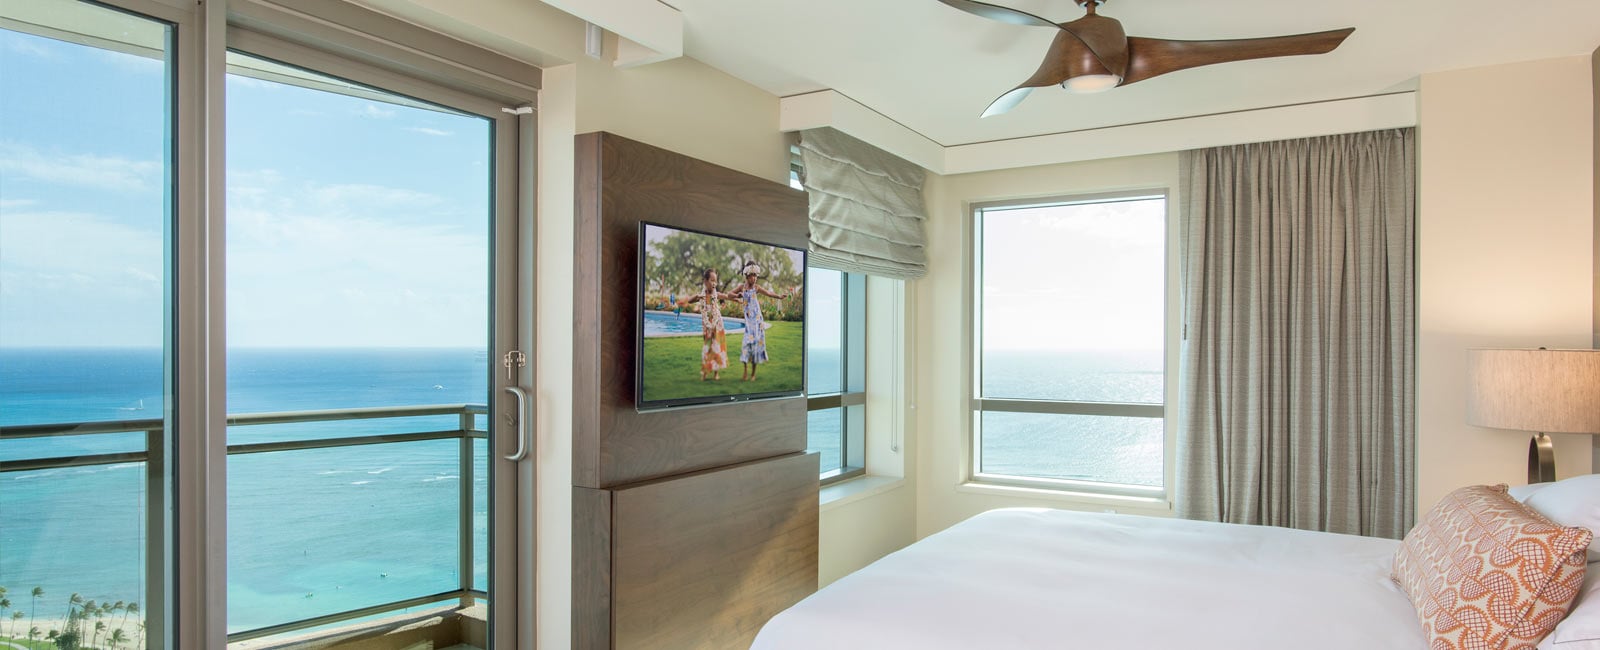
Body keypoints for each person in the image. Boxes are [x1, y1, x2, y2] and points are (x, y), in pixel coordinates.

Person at [732, 263, 791, 382]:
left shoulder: (756, 288)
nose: (754, 278)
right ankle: (745, 372)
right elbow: (729, 294)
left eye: (756, 276)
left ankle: (753, 374)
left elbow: (769, 293)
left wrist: (779, 296)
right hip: (748, 323)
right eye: (752, 275)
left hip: (757, 322)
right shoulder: (741, 287)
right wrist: (737, 295)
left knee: (755, 347)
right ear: (747, 275)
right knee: (745, 345)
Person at [681, 268, 733, 381]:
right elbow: (690, 300)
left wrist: (736, 297)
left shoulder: (716, 294)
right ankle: (704, 372)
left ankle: (715, 373)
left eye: (716, 280)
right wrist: (697, 297)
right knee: (706, 347)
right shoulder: (702, 295)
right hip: (707, 325)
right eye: (712, 280)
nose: (714, 283)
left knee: (716, 346)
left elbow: (726, 296)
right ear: (705, 281)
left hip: (717, 324)